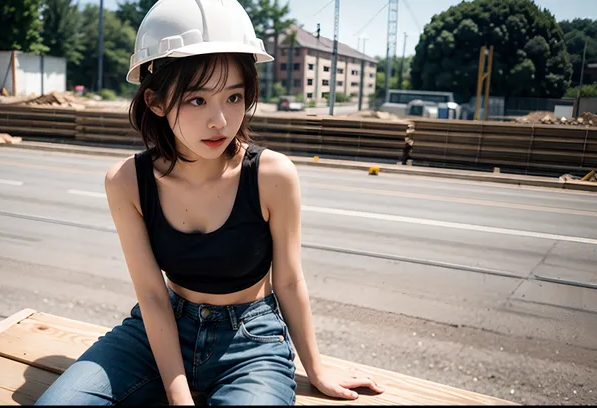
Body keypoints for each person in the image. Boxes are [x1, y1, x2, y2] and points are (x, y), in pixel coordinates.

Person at [36, 0, 384, 405]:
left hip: (251, 343)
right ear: (156, 102)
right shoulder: (127, 181)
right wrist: (178, 392)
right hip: (159, 332)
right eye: (197, 100)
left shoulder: (272, 176)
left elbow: (288, 281)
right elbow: (151, 294)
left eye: (234, 97)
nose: (220, 120)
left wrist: (317, 370)